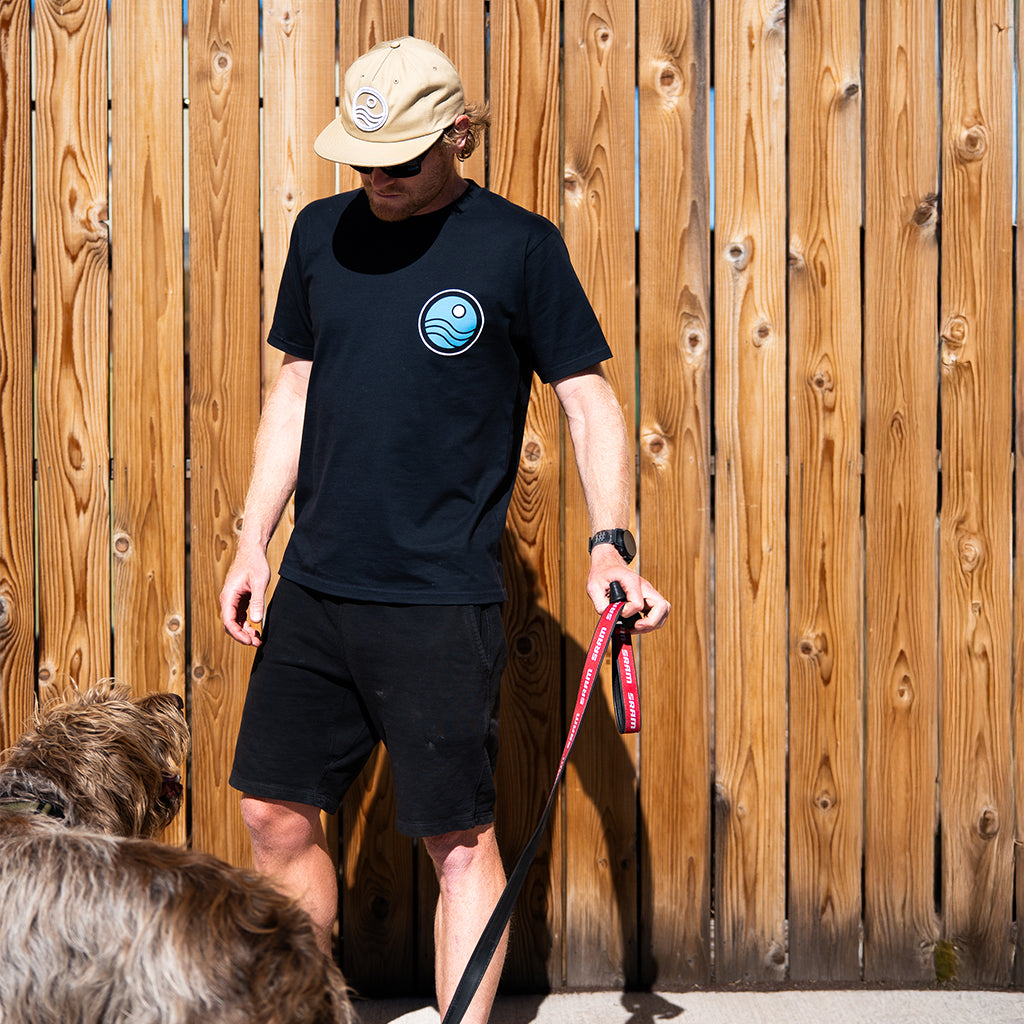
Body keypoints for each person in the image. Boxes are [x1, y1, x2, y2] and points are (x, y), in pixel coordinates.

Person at [219, 36, 670, 1024]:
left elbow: (590, 405)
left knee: (457, 842)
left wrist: (611, 543)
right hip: (317, 586)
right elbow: (295, 387)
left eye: (405, 162)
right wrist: (254, 536)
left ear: (459, 135)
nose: (379, 180)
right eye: (365, 162)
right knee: (272, 814)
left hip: (437, 599)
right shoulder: (319, 235)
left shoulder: (518, 246)